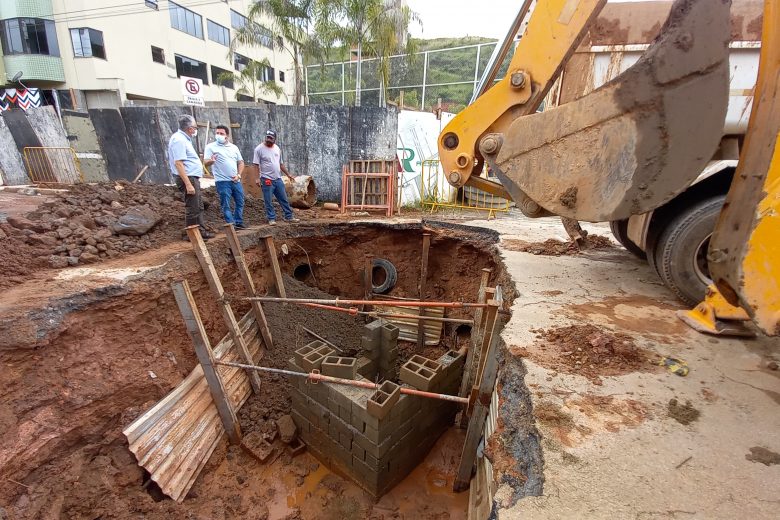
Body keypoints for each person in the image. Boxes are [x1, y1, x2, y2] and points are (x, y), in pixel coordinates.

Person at [168, 114, 213, 240]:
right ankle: (193, 235)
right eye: (195, 127)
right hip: (188, 178)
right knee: (192, 206)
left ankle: (201, 231)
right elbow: (178, 163)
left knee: (198, 205)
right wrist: (188, 184)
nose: (195, 130)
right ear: (189, 128)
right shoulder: (179, 140)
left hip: (192, 177)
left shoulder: (184, 139)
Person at [253, 129, 299, 225]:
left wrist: (288, 174)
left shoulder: (277, 149)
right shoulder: (259, 149)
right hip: (266, 179)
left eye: (271, 138)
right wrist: (257, 178)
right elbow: (256, 165)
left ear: (275, 139)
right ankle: (271, 218)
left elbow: (280, 164)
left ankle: (289, 216)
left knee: (283, 198)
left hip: (278, 179)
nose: (269, 139)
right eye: (268, 137)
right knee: (268, 200)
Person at [204, 125, 246, 229]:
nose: (219, 135)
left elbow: (241, 162)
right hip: (222, 181)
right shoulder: (211, 147)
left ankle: (238, 222)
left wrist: (239, 175)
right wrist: (211, 161)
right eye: (217, 133)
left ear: (227, 135)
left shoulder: (234, 147)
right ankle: (231, 225)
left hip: (235, 180)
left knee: (240, 201)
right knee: (226, 204)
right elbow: (205, 162)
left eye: (221, 133)